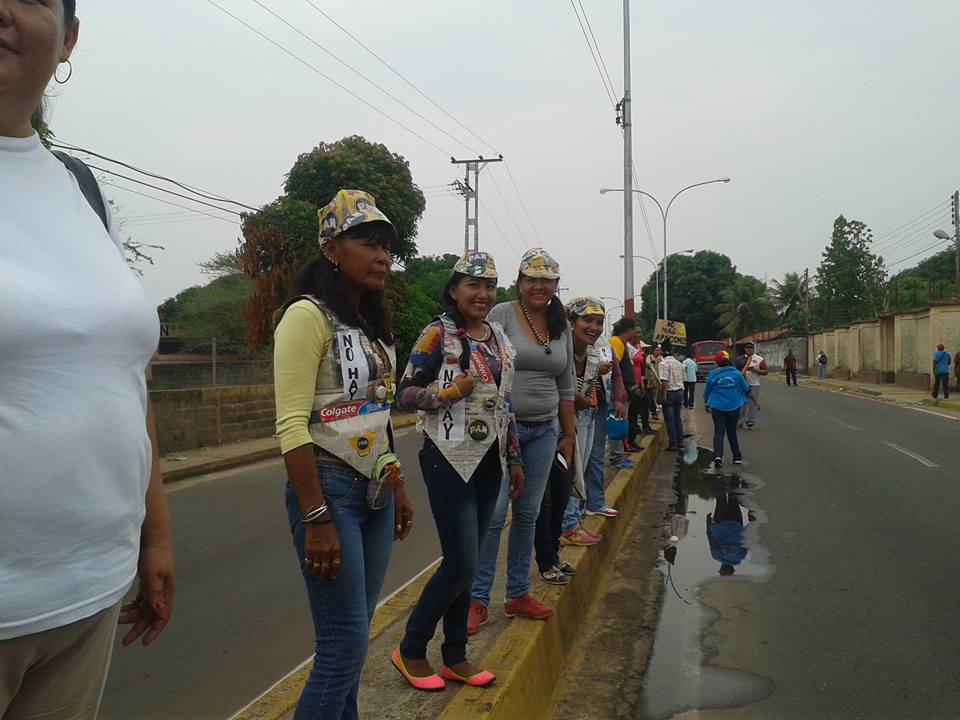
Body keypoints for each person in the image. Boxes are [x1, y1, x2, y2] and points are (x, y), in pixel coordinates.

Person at [1, 4, 175, 718]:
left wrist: (155, 533)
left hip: (87, 596)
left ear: (68, 38)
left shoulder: (78, 187)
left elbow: (126, 381)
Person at [274, 189, 416, 719]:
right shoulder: (305, 317)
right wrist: (316, 518)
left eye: (385, 246)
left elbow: (377, 418)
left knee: (355, 644)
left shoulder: (374, 327)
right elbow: (290, 425)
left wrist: (398, 487)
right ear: (332, 249)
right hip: (329, 491)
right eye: (367, 243)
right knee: (343, 646)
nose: (382, 256)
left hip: (376, 492)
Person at [392, 252, 521, 690]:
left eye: (489, 286)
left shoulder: (500, 337)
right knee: (462, 560)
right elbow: (404, 393)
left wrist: (515, 459)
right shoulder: (437, 334)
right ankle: (410, 648)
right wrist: (447, 393)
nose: (482, 294)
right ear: (454, 290)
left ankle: (454, 655)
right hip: (446, 456)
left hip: (490, 458)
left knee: (471, 560)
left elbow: (506, 402)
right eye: (472, 285)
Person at [468, 248, 576, 633]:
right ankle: (476, 600)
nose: (539, 286)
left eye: (546, 280)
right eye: (532, 279)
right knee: (495, 515)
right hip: (502, 430)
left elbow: (566, 383)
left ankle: (516, 594)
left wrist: (569, 434)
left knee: (529, 513)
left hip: (545, 430)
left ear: (555, 286)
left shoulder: (559, 322)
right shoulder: (502, 314)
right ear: (520, 282)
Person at [557, 297, 623, 556]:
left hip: (587, 415)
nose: (594, 327)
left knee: (579, 472)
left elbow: (592, 388)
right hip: (564, 419)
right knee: (567, 471)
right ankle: (567, 526)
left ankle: (571, 523)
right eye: (587, 320)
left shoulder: (593, 352)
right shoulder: (560, 351)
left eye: (599, 322)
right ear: (571, 322)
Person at [702, 351, 755, 466]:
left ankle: (717, 457)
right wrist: (756, 402)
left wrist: (707, 403)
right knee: (732, 432)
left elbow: (707, 393)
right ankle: (736, 457)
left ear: (717, 362)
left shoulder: (713, 375)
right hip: (733, 407)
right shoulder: (736, 374)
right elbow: (746, 389)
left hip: (717, 408)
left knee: (719, 432)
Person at [658, 341, 686, 451]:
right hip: (679, 392)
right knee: (677, 418)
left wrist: (664, 394)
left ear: (662, 352)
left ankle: (673, 443)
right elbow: (684, 379)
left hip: (669, 392)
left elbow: (664, 380)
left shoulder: (663, 364)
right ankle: (680, 441)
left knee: (669, 419)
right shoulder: (679, 363)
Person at [737, 342, 767, 429]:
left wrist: (756, 370)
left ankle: (750, 421)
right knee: (742, 403)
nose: (749, 349)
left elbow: (765, 371)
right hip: (742, 384)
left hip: (754, 384)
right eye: (747, 347)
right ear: (745, 349)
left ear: (754, 349)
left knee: (751, 404)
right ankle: (740, 422)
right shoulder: (739, 359)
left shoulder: (759, 359)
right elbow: (735, 371)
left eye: (751, 347)